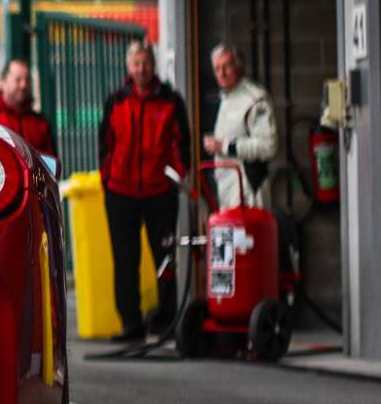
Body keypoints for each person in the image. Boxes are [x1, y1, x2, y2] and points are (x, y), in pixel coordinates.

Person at [99, 41, 186, 340]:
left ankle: (165, 321)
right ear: (128, 66)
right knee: (125, 261)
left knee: (165, 260)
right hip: (120, 193)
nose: (141, 69)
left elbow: (182, 145)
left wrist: (177, 179)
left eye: (146, 63)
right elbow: (106, 144)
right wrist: (107, 180)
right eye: (136, 63)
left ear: (154, 65)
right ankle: (131, 325)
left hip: (160, 193)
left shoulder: (171, 101)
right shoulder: (116, 101)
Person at [201, 43, 279, 209]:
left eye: (226, 66)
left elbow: (268, 147)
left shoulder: (255, 98)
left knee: (250, 235)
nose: (221, 73)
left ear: (239, 66)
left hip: (249, 193)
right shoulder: (224, 97)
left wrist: (225, 146)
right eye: (217, 68)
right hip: (227, 193)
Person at [0, 58, 55, 157]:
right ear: (3, 82)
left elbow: (50, 163)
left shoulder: (40, 123)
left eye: (27, 80)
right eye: (18, 80)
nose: (23, 85)